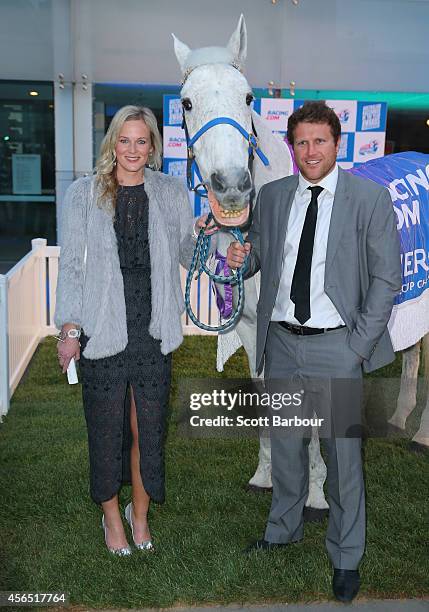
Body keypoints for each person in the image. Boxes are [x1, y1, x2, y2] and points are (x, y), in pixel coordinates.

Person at [227, 101, 401, 602]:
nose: (310, 151)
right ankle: (283, 529)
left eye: (319, 141)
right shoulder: (275, 195)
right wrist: (244, 257)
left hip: (337, 349)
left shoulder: (368, 199)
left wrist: (358, 346)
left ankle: (346, 556)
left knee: (343, 458)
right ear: (291, 146)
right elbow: (261, 254)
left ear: (337, 143)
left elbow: (386, 277)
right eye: (301, 142)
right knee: (285, 449)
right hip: (281, 344)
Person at [55, 105, 207, 556]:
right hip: (102, 328)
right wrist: (69, 326)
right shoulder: (83, 194)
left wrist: (205, 235)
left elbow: (186, 251)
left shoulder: (170, 191)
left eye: (142, 141)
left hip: (153, 329)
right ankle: (110, 518)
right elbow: (70, 267)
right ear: (112, 143)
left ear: (153, 146)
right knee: (105, 429)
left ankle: (138, 517)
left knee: (149, 429)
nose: (133, 150)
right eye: (125, 140)